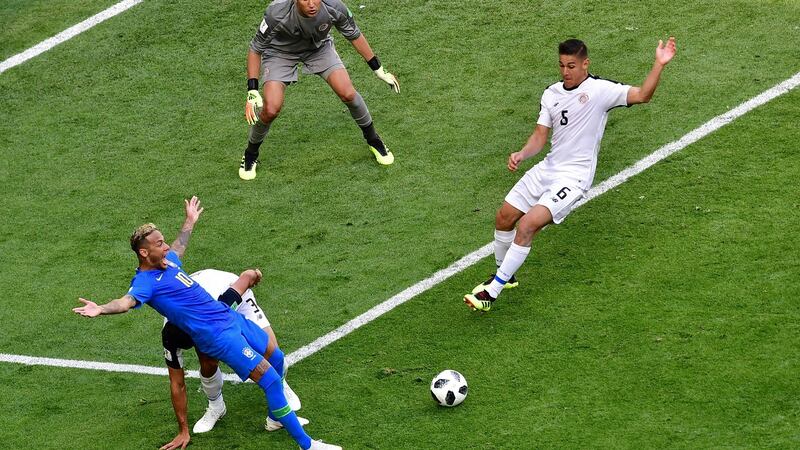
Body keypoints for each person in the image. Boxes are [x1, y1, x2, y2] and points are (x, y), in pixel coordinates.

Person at [73, 197, 341, 450]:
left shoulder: (168, 262)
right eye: (159, 243)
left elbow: (180, 245)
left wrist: (190, 221)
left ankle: (275, 419)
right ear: (144, 252)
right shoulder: (144, 283)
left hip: (229, 317)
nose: (166, 246)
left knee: (278, 358)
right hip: (218, 337)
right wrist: (101, 309)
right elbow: (126, 302)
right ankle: (309, 445)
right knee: (270, 380)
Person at [464, 37, 677, 312]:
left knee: (528, 225)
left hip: (573, 178)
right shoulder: (551, 93)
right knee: (504, 217)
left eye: (572, 66)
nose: (566, 72)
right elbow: (540, 137)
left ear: (585, 64)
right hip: (547, 169)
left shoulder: (601, 90)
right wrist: (522, 154)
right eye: (562, 65)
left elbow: (642, 95)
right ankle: (506, 275)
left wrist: (659, 65)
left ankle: (491, 294)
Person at [239, 0, 401, 180]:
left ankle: (374, 140)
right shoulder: (276, 12)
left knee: (348, 93)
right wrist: (252, 90)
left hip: (319, 49)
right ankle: (251, 153)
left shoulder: (334, 7)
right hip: (280, 53)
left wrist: (378, 70)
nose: (311, 4)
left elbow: (354, 35)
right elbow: (255, 48)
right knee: (271, 109)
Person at [160, 268, 307, 450]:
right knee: (208, 361)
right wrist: (183, 430)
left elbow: (244, 280)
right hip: (206, 317)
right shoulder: (169, 334)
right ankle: (216, 406)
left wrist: (254, 274)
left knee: (272, 352)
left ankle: (280, 390)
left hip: (231, 293)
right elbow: (177, 383)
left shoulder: (218, 304)